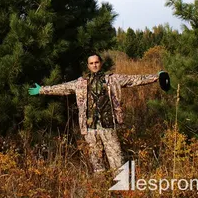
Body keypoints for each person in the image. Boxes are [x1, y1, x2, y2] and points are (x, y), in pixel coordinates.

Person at [28, 53, 170, 173]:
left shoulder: (113, 79)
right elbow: (62, 88)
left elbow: (135, 79)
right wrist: (41, 90)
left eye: (96, 62)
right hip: (90, 128)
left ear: (101, 63)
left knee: (116, 158)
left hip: (108, 125)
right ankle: (101, 187)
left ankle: (122, 190)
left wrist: (156, 77)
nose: (94, 65)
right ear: (88, 66)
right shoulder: (81, 83)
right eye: (91, 63)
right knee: (96, 160)